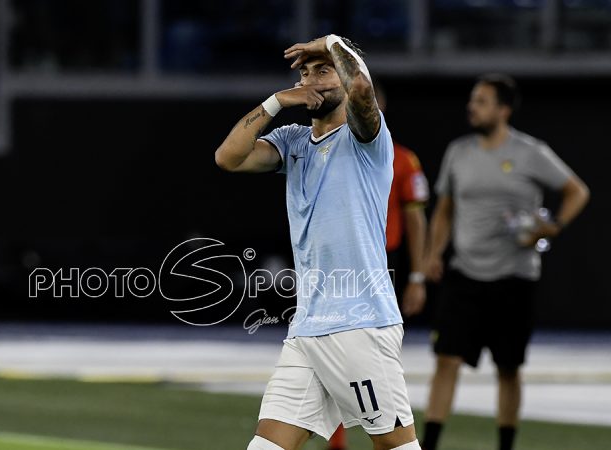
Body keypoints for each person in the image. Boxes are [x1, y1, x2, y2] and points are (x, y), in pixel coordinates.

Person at [215, 34, 421, 450]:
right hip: (307, 327)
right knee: (267, 445)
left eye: (323, 71)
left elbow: (362, 89)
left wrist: (332, 43)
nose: (311, 81)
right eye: (305, 73)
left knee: (396, 446)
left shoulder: (369, 139)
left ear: (345, 78)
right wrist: (278, 101)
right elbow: (228, 157)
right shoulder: (292, 141)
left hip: (360, 323)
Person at [420, 74, 590, 450]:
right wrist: (433, 254)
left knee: (508, 368)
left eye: (481, 101)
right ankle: (428, 444)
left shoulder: (531, 152)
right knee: (446, 359)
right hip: (465, 273)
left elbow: (577, 191)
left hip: (515, 276)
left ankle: (506, 444)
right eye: (472, 100)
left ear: (503, 109)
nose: (472, 107)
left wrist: (553, 227)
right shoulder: (458, 152)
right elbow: (445, 210)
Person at [328, 84, 430, 450]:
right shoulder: (328, 154)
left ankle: (392, 437)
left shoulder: (402, 160)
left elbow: (416, 220)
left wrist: (418, 275)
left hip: (382, 262)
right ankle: (341, 439)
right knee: (333, 345)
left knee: (373, 353)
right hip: (339, 264)